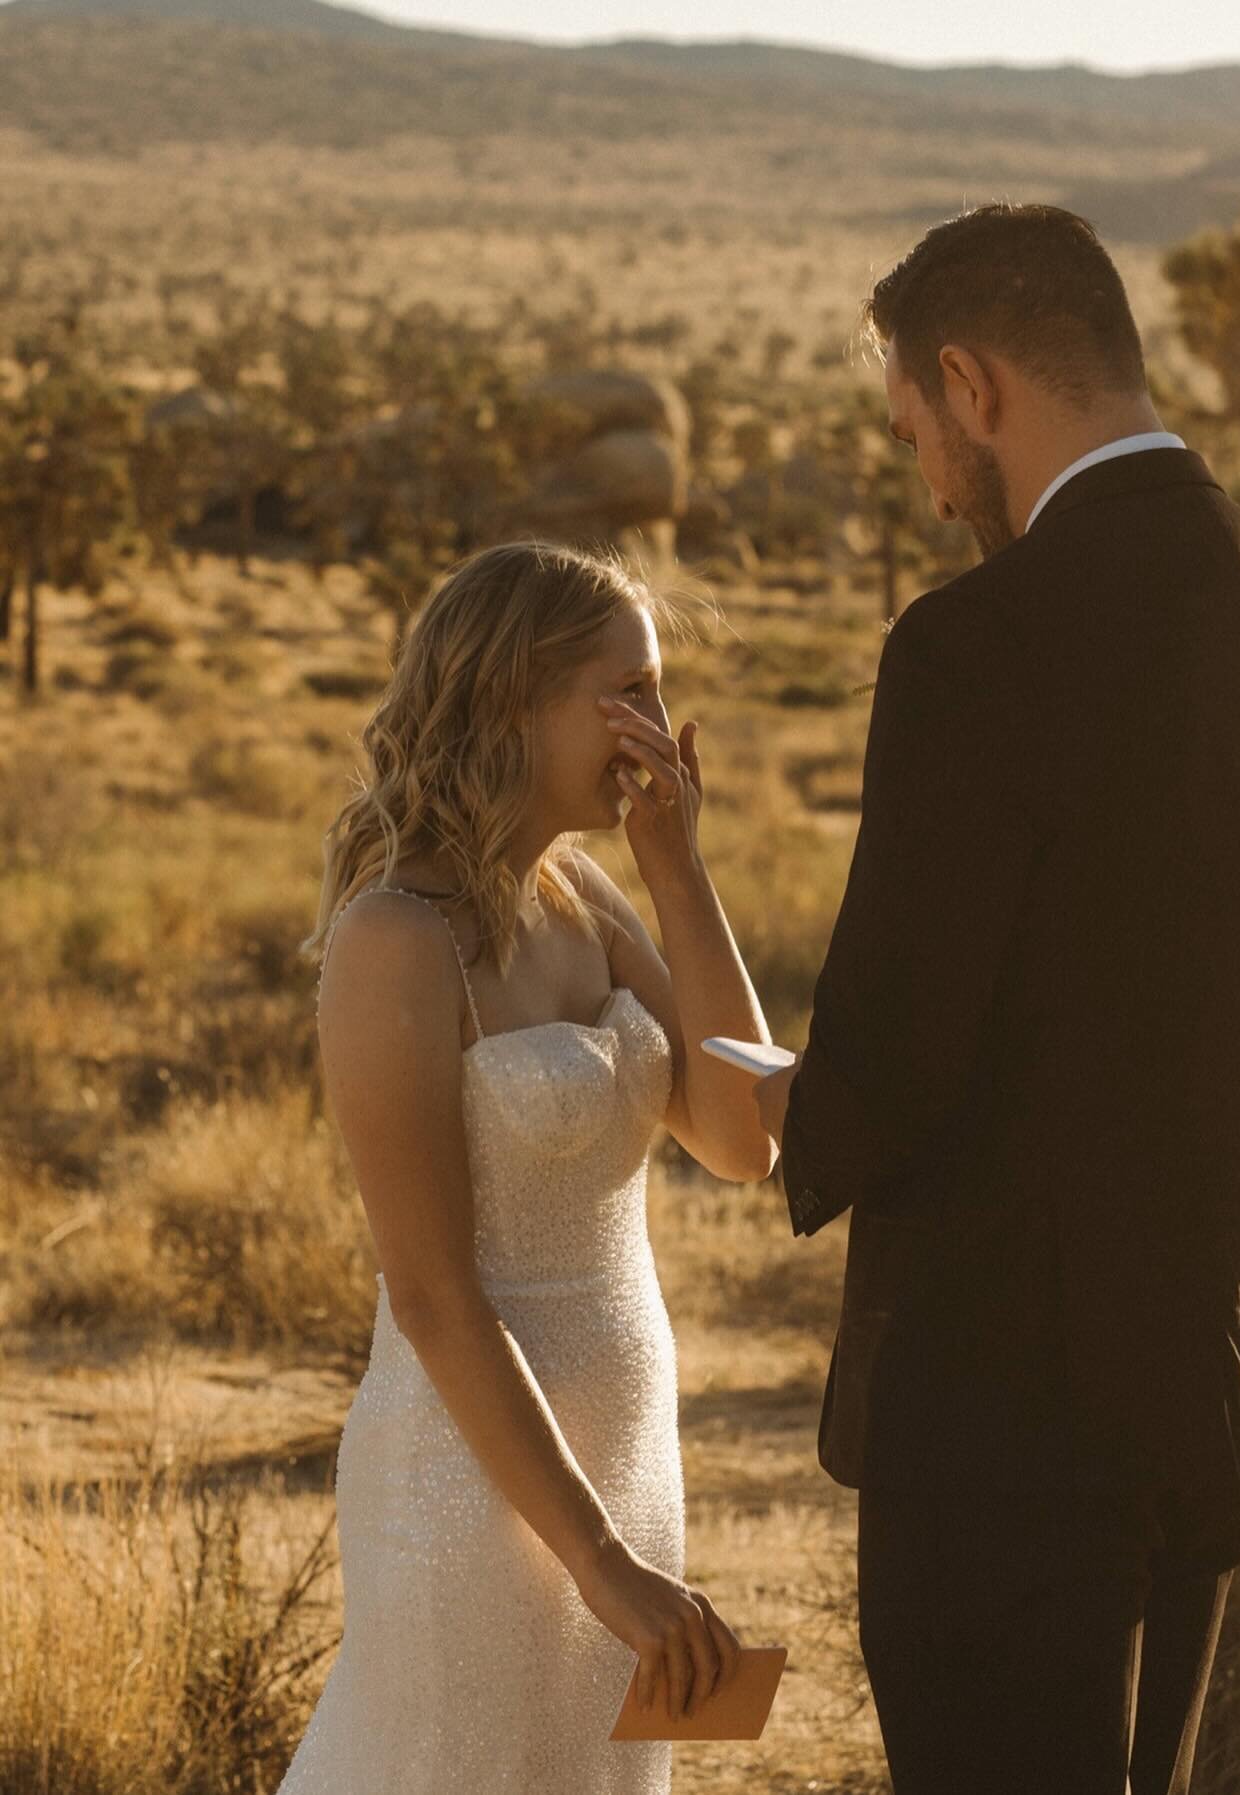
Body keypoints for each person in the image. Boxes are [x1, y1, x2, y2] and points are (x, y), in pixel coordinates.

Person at [752, 202, 1240, 1795]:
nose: (926, 480)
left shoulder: (981, 647)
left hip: (1011, 1390)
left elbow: (888, 1071)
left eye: (916, 429)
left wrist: (766, 1101)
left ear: (971, 383)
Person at [279, 540, 776, 1793]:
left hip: (625, 1448)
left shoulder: (589, 898)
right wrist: (601, 1562)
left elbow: (744, 1131)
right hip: (466, 1478)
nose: (660, 726)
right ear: (513, 698)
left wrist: (676, 868)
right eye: (631, 691)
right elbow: (435, 1298)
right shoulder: (395, 939)